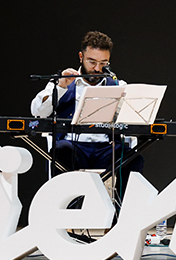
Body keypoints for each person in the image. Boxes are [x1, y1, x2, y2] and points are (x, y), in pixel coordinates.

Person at [30, 31, 144, 182]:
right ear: (81, 57)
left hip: (106, 148)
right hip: (73, 147)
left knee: (133, 158)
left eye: (103, 63)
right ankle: (64, 197)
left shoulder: (118, 85)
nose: (97, 68)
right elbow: (37, 112)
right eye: (92, 62)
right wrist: (60, 87)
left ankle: (121, 198)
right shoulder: (63, 81)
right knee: (61, 151)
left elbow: (133, 119)